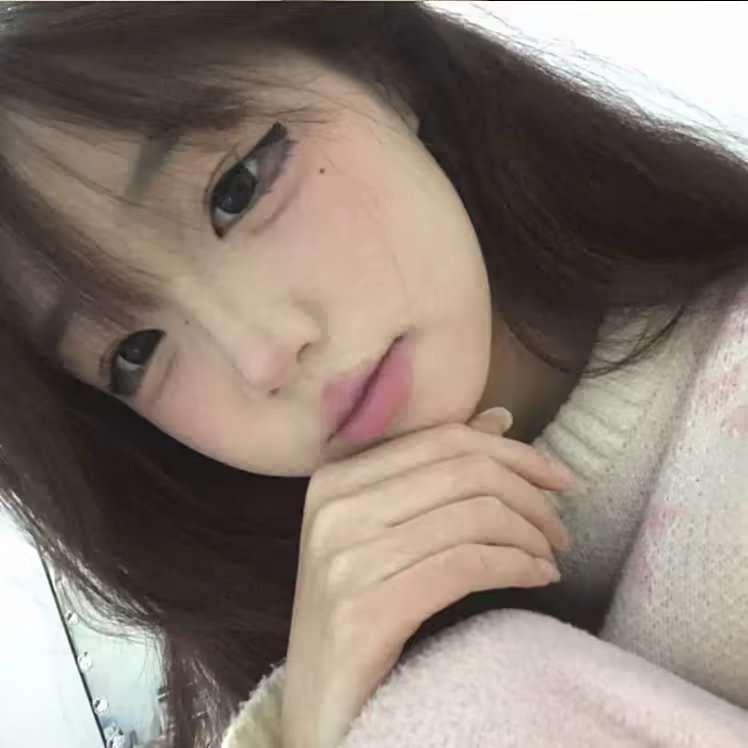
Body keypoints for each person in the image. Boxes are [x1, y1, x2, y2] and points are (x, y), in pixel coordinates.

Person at [1, 2, 747, 747]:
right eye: (134, 353)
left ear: (380, 65)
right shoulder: (295, 669)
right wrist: (307, 721)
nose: (263, 355)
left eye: (237, 189)